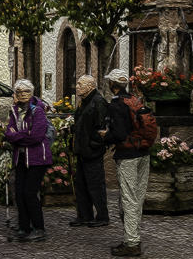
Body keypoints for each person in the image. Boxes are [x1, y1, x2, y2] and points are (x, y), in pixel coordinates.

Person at [101, 69, 150, 257]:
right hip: (143, 153)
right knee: (137, 197)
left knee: (128, 199)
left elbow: (119, 134)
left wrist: (106, 136)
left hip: (128, 155)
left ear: (112, 85)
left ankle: (132, 243)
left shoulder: (116, 105)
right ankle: (133, 236)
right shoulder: (135, 100)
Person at [4, 79, 51, 243]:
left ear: (32, 93)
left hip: (38, 157)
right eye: (19, 92)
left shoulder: (38, 111)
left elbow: (36, 136)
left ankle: (39, 228)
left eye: (26, 91)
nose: (22, 94)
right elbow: (7, 134)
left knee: (30, 193)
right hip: (21, 157)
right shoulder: (14, 110)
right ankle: (24, 227)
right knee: (19, 193)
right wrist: (22, 135)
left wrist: (17, 136)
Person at [70, 75, 109, 228]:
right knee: (81, 184)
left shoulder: (98, 102)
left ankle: (102, 216)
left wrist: (94, 144)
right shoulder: (84, 102)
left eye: (80, 84)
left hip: (91, 151)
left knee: (95, 184)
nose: (77, 87)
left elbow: (101, 127)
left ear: (90, 87)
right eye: (78, 84)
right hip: (82, 149)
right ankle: (84, 215)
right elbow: (83, 123)